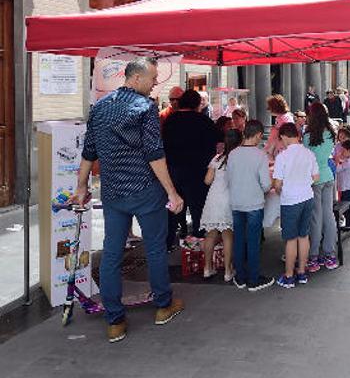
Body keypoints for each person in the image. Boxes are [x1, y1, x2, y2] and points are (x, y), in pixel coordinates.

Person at [71, 57, 185, 343]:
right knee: (156, 249)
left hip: (112, 193)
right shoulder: (145, 108)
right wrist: (171, 191)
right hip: (145, 190)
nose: (155, 82)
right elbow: (154, 154)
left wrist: (81, 186)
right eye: (152, 77)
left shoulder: (100, 108)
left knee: (111, 254)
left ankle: (115, 321)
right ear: (135, 79)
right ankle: (163, 306)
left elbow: (89, 151)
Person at [162, 89, 218, 243]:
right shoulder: (204, 121)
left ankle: (169, 240)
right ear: (196, 104)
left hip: (173, 170)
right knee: (197, 207)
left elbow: (163, 146)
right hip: (197, 172)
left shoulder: (170, 121)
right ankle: (198, 239)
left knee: (173, 205)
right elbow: (211, 148)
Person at [226, 119, 274, 292]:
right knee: (253, 241)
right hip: (254, 203)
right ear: (259, 135)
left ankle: (240, 277)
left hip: (236, 202)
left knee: (239, 239)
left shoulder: (233, 153)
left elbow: (228, 179)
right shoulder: (260, 155)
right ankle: (253, 279)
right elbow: (266, 184)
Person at [273, 123, 320, 288]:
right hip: (307, 197)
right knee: (303, 236)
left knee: (290, 239)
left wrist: (280, 189)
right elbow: (316, 177)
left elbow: (277, 183)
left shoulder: (282, 157)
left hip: (290, 200)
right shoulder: (308, 153)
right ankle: (301, 272)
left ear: (285, 136)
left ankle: (288, 276)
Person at [201, 128, 241, 281]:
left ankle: (207, 268)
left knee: (210, 234)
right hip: (229, 199)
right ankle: (227, 270)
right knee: (227, 235)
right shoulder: (237, 159)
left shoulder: (217, 159)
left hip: (213, 198)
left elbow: (207, 180)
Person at [304, 102, 339, 272]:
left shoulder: (308, 136)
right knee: (328, 216)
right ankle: (330, 254)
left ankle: (313, 256)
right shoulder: (332, 133)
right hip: (327, 175)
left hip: (313, 179)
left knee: (316, 219)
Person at [334, 139, 350, 231]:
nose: (341, 152)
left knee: (347, 210)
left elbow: (337, 169)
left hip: (347, 189)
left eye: (343, 150)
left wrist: (337, 161)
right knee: (348, 209)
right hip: (348, 188)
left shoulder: (349, 162)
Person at [265, 94, 294, 159]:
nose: (268, 110)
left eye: (269, 107)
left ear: (275, 107)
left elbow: (280, 137)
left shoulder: (284, 119)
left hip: (282, 151)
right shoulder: (282, 117)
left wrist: (270, 150)